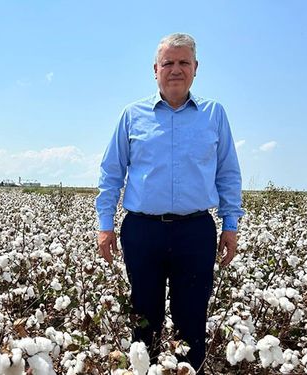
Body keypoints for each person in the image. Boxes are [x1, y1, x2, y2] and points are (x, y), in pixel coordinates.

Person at [95, 33, 243, 374]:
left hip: (196, 230)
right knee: (144, 316)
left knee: (192, 317)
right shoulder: (131, 115)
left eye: (183, 63)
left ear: (195, 68)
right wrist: (105, 225)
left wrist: (230, 225)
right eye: (168, 63)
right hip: (142, 230)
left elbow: (228, 174)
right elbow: (111, 173)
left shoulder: (214, 114)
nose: (175, 70)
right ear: (155, 69)